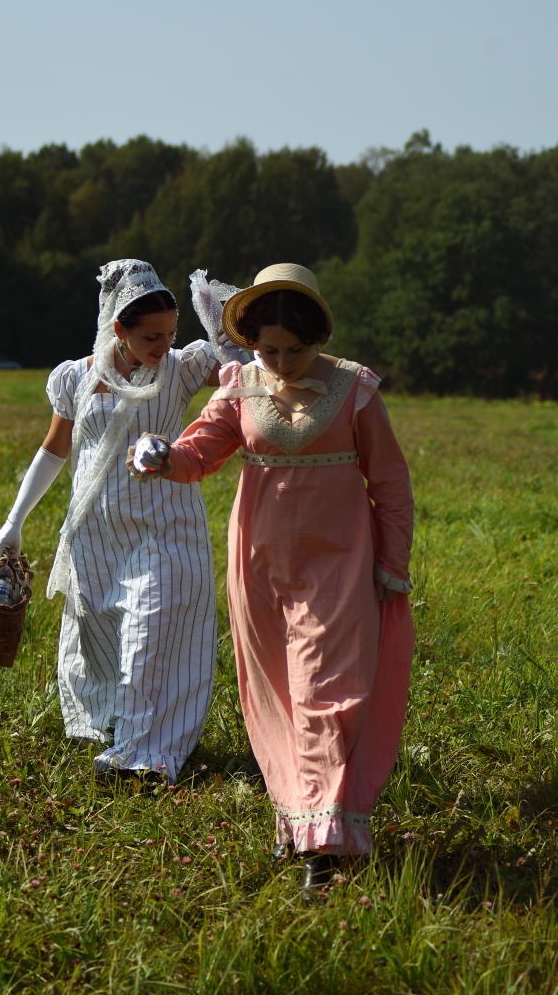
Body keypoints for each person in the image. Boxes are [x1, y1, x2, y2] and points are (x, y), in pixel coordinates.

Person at [129, 263, 415, 900]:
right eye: (268, 350)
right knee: (279, 695)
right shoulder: (238, 385)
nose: (281, 363)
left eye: (295, 349)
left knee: (328, 695)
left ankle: (327, 847)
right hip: (258, 564)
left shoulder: (355, 389)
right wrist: (161, 457)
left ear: (317, 337)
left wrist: (391, 565)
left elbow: (390, 483)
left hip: (339, 563)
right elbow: (200, 450)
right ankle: (301, 816)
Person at [0, 258, 245, 783]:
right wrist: (13, 523)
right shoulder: (75, 378)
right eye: (151, 335)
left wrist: (221, 329)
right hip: (96, 536)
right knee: (103, 641)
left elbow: (247, 372)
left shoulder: (180, 368)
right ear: (117, 329)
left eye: (171, 333)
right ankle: (119, 730)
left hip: (163, 527)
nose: (163, 344)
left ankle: (145, 756)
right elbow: (55, 450)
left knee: (149, 635)